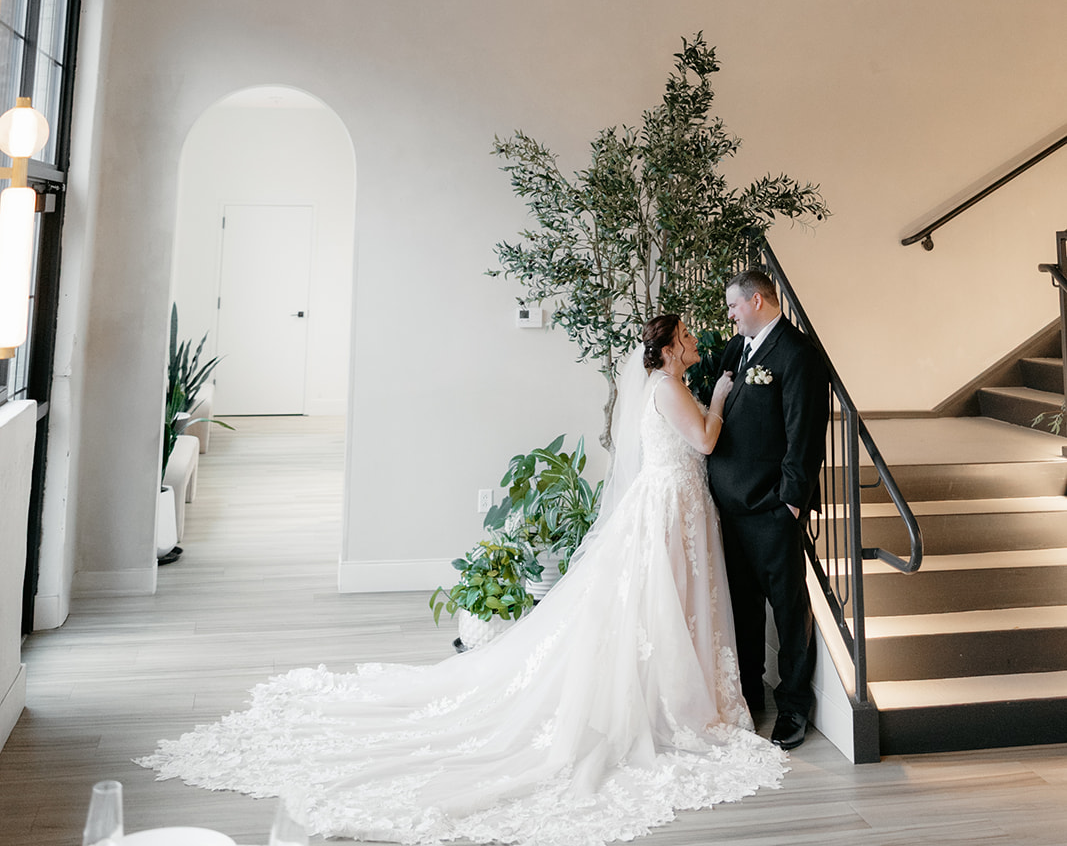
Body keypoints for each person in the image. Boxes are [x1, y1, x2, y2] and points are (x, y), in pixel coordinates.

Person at [139, 314, 787, 846]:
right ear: (672, 346)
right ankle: (661, 700)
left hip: (674, 508)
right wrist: (724, 395)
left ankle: (667, 692)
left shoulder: (659, 386)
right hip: (669, 506)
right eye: (690, 338)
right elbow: (702, 441)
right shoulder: (668, 388)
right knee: (657, 608)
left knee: (660, 609)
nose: (699, 344)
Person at [705, 270, 829, 752]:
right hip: (731, 507)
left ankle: (795, 706)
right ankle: (751, 696)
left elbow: (805, 436)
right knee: (743, 610)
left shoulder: (797, 356)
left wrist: (791, 504)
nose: (730, 315)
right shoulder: (740, 349)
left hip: (772, 509)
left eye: (734, 306)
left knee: (789, 611)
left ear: (757, 300)